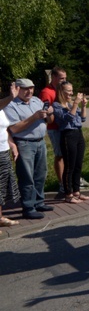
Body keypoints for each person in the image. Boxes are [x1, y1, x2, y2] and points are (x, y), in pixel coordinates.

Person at [4, 79, 54, 219]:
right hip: (24, 143)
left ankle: (39, 202)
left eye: (31, 88)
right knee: (27, 176)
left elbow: (49, 121)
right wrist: (34, 117)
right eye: (25, 89)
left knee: (40, 174)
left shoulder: (36, 101)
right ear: (17, 89)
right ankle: (28, 207)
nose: (29, 91)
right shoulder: (11, 106)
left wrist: (49, 113)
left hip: (40, 142)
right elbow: (14, 128)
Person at [52, 81, 89, 204]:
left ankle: (76, 192)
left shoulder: (71, 104)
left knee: (78, 165)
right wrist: (75, 104)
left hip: (78, 134)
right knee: (70, 166)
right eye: (68, 90)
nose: (71, 93)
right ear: (61, 91)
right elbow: (67, 118)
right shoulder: (57, 106)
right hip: (68, 135)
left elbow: (82, 118)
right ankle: (68, 194)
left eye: (71, 90)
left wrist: (83, 106)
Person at [0, 83, 21, 228]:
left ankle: (0, 217)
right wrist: (11, 98)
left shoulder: (2, 110)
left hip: (3, 151)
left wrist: (12, 145)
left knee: (2, 187)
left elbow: (5, 129)